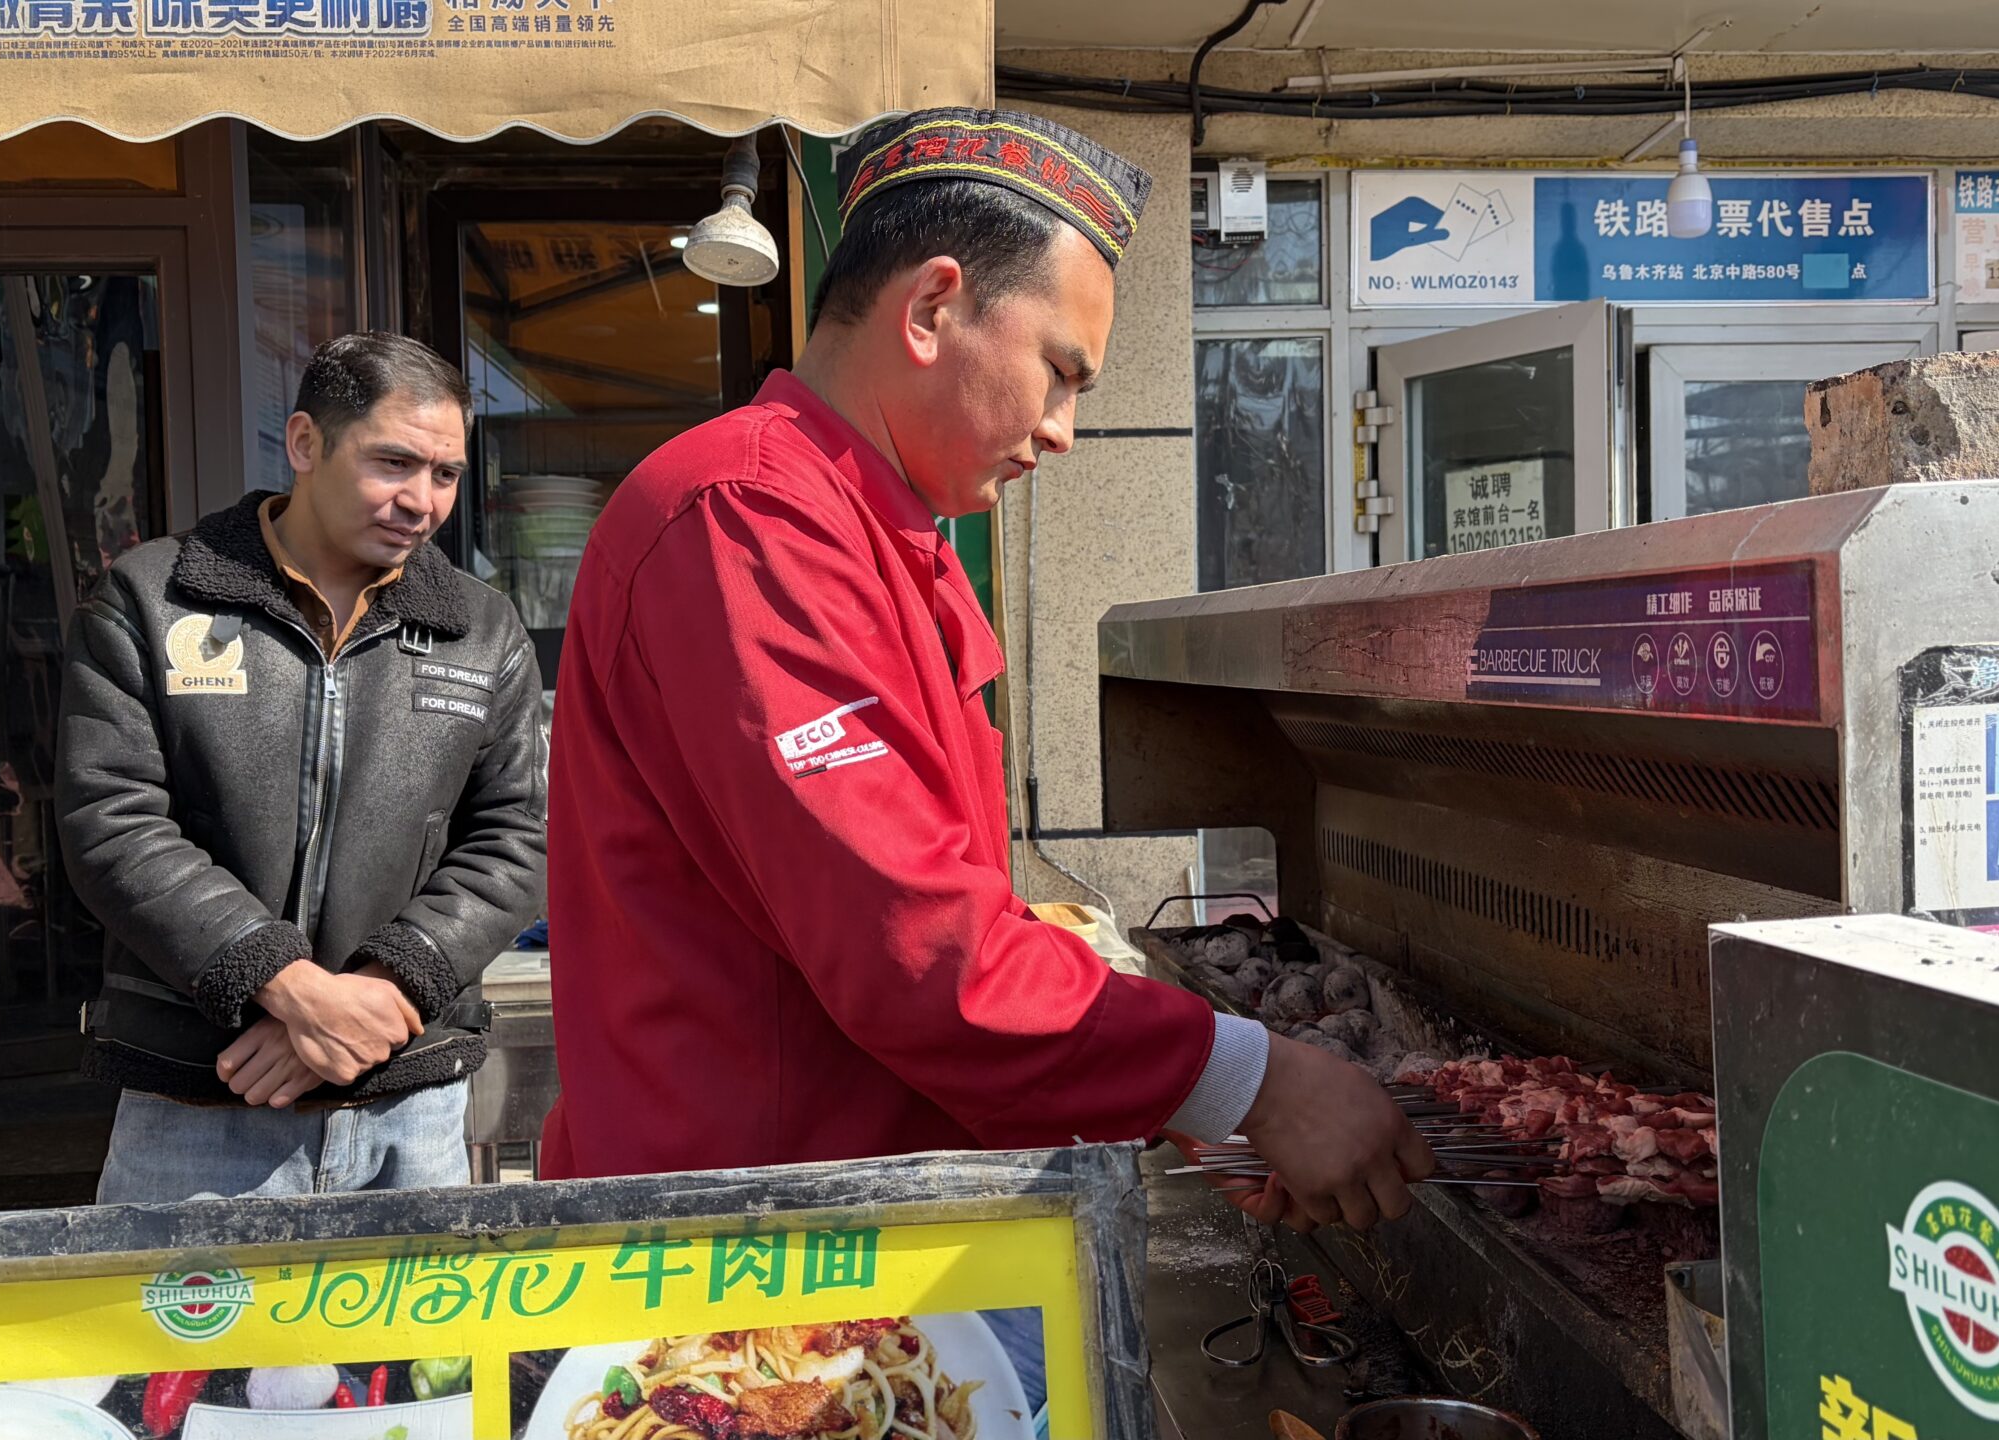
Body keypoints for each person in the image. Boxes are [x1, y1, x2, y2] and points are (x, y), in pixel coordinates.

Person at [541, 109, 1432, 1230]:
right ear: (930, 308)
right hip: (757, 1244)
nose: (1062, 431)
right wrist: (1254, 1080)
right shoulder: (750, 516)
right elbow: (916, 952)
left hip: (856, 1200)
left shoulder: (880, 530)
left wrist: (1179, 1101)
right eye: (1060, 373)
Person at [58, 333, 545, 1202]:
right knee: (192, 1348)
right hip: (199, 1099)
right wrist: (282, 985)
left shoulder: (482, 628)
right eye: (392, 461)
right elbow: (111, 824)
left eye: (445, 473)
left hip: (412, 1103)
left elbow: (518, 839)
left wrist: (375, 993)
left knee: (404, 1347)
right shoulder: (153, 596)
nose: (421, 500)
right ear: (305, 444)